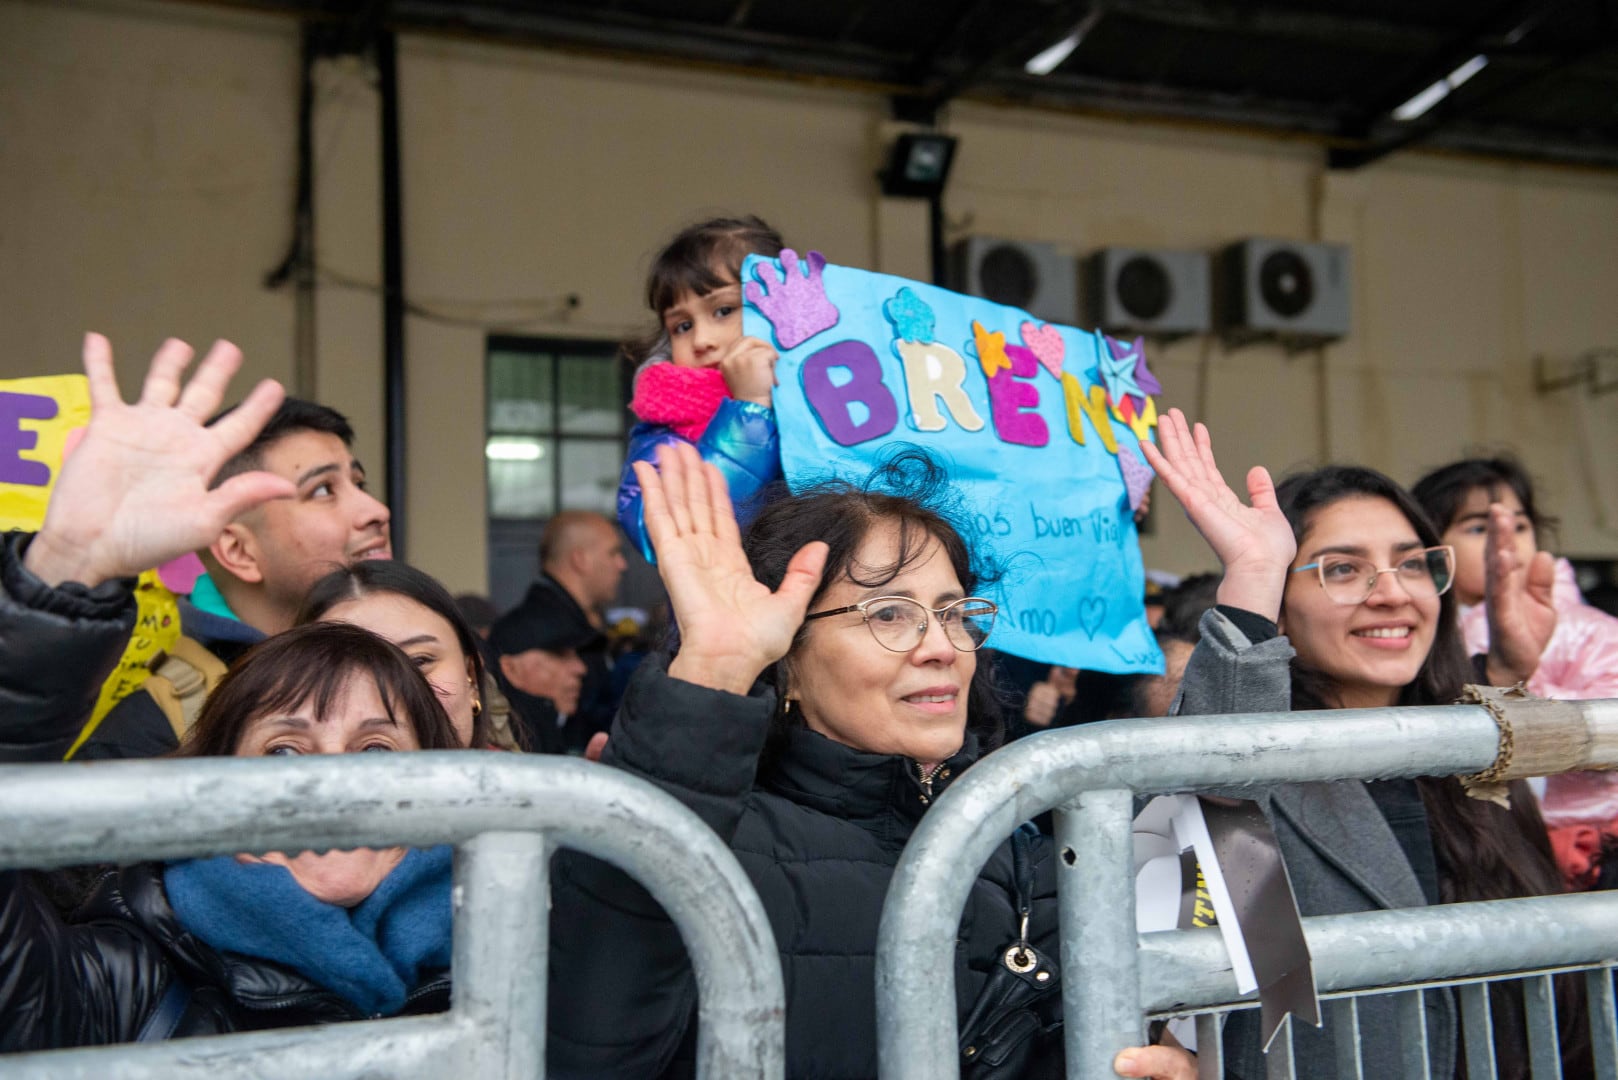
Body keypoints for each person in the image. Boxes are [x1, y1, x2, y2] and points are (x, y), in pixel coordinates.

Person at [549, 442, 1257, 1079]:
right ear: (787, 659)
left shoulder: (1022, 856)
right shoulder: (713, 844)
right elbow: (594, 1037)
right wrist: (712, 668)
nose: (941, 645)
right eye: (889, 613)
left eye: (954, 612)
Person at [1144, 410, 1587, 1079]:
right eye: (1343, 570)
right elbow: (1220, 776)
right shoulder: (1252, 773)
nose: (1391, 594)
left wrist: (1504, 681)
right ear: (1281, 604)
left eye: (1412, 565)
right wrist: (1254, 577)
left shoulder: (1468, 751)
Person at [0, 622, 463, 1049]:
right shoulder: (117, 982)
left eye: (375, 751)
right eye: (283, 751)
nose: (330, 788)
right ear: (215, 785)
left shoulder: (512, 951)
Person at [75, 391, 391, 760]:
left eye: (359, 483)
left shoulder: (427, 659)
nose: (377, 511)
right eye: (322, 490)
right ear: (239, 551)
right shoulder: (151, 735)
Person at [1413, 456, 1618, 886]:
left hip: (1591, 841)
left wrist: (1520, 684)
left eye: (1519, 526)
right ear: (1431, 548)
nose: (1505, 543)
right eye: (1478, 528)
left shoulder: (1583, 628)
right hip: (1488, 841)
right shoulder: (1418, 632)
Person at [615, 215, 787, 561]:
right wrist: (750, 411)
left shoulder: (832, 397)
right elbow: (664, 534)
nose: (701, 340)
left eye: (723, 310)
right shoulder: (663, 429)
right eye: (682, 326)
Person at [298, 561, 504, 750]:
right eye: (348, 669)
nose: (394, 690)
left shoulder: (526, 785)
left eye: (419, 661)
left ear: (472, 679)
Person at [510, 510, 627, 740]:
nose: (622, 565)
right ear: (580, 559)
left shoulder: (574, 623)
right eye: (613, 553)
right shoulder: (534, 633)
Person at [486, 602, 594, 755]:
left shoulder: (572, 725)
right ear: (511, 668)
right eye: (560, 654)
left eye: (576, 655)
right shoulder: (495, 742)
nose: (581, 668)